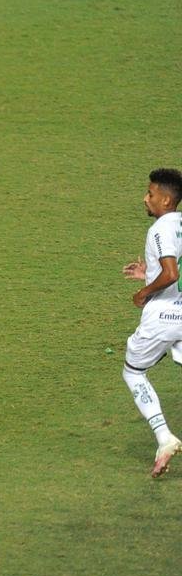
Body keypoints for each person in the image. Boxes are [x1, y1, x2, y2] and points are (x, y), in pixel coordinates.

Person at [121, 168, 182, 477]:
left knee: (133, 372)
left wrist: (144, 292)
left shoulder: (160, 229)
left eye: (151, 194)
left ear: (166, 200)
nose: (146, 199)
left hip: (163, 316)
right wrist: (148, 272)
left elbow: (171, 274)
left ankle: (164, 437)